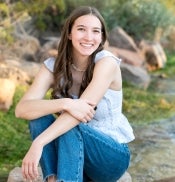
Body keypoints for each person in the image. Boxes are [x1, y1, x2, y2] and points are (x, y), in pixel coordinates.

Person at [15, 6, 135, 182]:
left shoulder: (106, 63)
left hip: (110, 158)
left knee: (71, 123)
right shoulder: (53, 66)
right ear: (69, 33)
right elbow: (21, 109)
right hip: (73, 155)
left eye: (95, 31)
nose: (88, 37)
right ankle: (54, 178)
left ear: (101, 37)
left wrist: (38, 143)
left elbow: (81, 114)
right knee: (38, 117)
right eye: (81, 29)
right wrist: (65, 103)